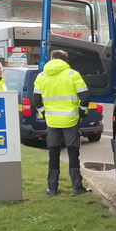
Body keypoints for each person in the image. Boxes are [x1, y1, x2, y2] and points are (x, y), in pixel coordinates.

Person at [32, 50, 91, 196]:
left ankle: (52, 189)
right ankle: (77, 188)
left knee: (53, 153)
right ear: (66, 60)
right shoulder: (73, 75)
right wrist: (82, 113)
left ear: (52, 59)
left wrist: (45, 113)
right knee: (72, 152)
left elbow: (36, 99)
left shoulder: (42, 76)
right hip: (71, 120)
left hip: (52, 121)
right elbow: (84, 96)